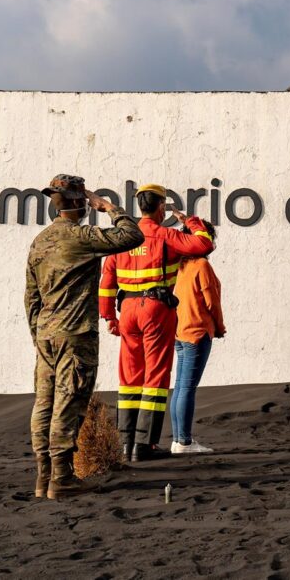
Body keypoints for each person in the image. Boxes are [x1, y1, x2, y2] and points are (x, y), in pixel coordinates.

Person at [25, 175, 144, 499]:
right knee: (69, 404)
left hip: (47, 336)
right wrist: (108, 206)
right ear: (80, 202)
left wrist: (38, 333)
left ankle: (43, 478)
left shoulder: (40, 241)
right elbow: (132, 235)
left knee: (44, 405)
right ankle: (62, 479)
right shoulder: (82, 237)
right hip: (76, 335)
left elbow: (31, 296)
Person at [99, 184, 214, 462]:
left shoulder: (122, 238)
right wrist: (190, 221)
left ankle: (125, 444)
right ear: (161, 207)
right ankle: (144, 445)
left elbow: (106, 283)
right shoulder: (166, 235)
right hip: (156, 310)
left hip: (127, 311)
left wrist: (109, 317)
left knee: (129, 378)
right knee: (155, 377)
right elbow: (204, 243)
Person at [171, 220, 225, 454]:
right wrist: (220, 327)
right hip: (198, 330)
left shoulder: (180, 265)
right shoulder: (202, 265)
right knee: (187, 388)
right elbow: (212, 301)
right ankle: (184, 441)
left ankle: (177, 439)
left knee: (180, 386)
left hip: (180, 331)